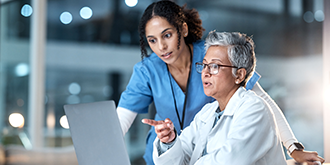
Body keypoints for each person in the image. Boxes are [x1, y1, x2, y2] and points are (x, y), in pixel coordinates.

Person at [116, 0, 325, 164]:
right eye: (152, 40)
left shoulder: (212, 55)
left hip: (209, 152)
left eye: (167, 35)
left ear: (184, 30)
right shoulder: (148, 71)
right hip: (171, 151)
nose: (161, 46)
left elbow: (264, 102)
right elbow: (119, 123)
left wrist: (293, 147)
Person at [142, 31, 287, 165]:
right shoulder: (208, 112)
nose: (205, 72)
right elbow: (182, 156)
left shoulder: (254, 109)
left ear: (239, 75)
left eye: (215, 66)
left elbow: (229, 160)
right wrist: (169, 142)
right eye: (204, 65)